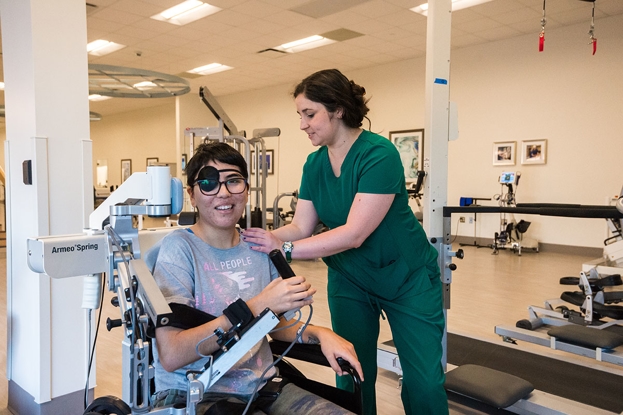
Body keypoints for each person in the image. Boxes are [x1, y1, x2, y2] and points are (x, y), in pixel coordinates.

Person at [242, 69, 448, 415]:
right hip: (349, 278)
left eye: (310, 114)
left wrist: (284, 249)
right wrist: (269, 238)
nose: (303, 125)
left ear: (337, 109)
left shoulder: (379, 154)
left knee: (424, 382)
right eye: (300, 115)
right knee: (351, 371)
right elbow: (301, 225)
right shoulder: (314, 164)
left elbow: (354, 234)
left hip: (406, 277)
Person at [151, 142, 363, 414]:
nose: (224, 193)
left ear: (247, 190)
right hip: (196, 394)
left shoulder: (258, 247)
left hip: (262, 387)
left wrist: (321, 334)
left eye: (233, 181)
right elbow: (172, 354)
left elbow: (277, 327)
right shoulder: (180, 249)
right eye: (209, 184)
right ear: (192, 195)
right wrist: (258, 304)